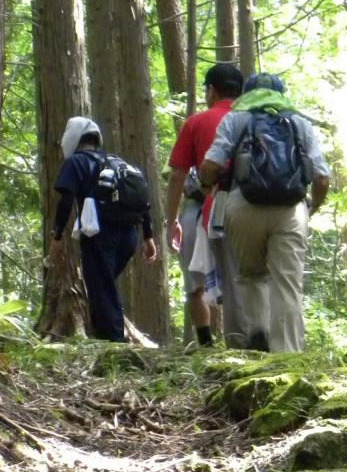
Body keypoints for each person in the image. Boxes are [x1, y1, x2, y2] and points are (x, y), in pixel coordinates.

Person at [198, 72, 330, 352]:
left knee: (251, 274)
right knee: (287, 283)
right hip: (290, 210)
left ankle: (258, 337)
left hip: (244, 205)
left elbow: (211, 165)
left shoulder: (235, 119)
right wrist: (311, 208)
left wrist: (207, 186)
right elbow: (322, 179)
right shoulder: (299, 123)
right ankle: (287, 357)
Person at [49, 116, 157, 342]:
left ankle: (114, 345)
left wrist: (56, 237)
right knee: (102, 284)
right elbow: (142, 201)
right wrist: (148, 237)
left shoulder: (76, 162)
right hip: (130, 234)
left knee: (101, 286)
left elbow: (66, 200)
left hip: (100, 233)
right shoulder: (116, 161)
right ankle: (105, 337)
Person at [165, 62, 246, 348]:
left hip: (202, 207)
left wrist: (170, 219)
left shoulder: (197, 122)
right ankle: (246, 343)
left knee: (194, 282)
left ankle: (206, 345)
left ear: (211, 91)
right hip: (248, 208)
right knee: (244, 277)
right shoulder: (253, 119)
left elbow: (176, 176)